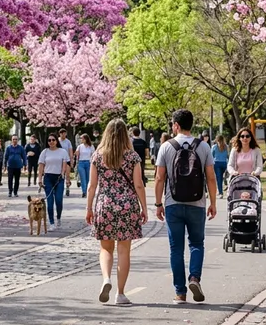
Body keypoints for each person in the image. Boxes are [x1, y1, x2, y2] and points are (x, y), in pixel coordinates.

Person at [154, 109, 217, 304]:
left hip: (173, 203)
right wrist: (213, 202)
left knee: (176, 249)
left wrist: (158, 204)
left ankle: (180, 293)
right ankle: (194, 278)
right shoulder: (204, 146)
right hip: (197, 203)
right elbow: (211, 177)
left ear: (176, 125)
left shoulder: (166, 146)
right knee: (197, 244)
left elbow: (159, 178)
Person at [86, 118, 147, 306]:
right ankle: (120, 293)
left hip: (105, 205)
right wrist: (144, 208)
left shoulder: (97, 156)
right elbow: (138, 184)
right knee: (124, 251)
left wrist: (89, 208)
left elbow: (92, 185)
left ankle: (106, 279)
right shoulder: (132, 157)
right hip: (127, 205)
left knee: (105, 248)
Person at [37, 133, 70, 229]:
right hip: (48, 178)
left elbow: (65, 164)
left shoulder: (62, 151)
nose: (51, 142)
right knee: (50, 201)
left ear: (56, 141)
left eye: (53, 140)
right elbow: (41, 166)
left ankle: (58, 217)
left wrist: (63, 175)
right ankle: (51, 222)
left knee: (59, 200)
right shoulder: (45, 152)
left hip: (59, 178)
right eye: (49, 140)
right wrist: (40, 179)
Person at [58, 129, 74, 196]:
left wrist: (71, 160)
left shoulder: (68, 142)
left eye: (64, 133)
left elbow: (70, 150)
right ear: (60, 134)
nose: (63, 135)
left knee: (67, 175)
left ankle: (67, 187)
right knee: (60, 175)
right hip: (59, 160)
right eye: (62, 134)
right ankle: (59, 188)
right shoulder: (57, 140)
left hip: (66, 159)